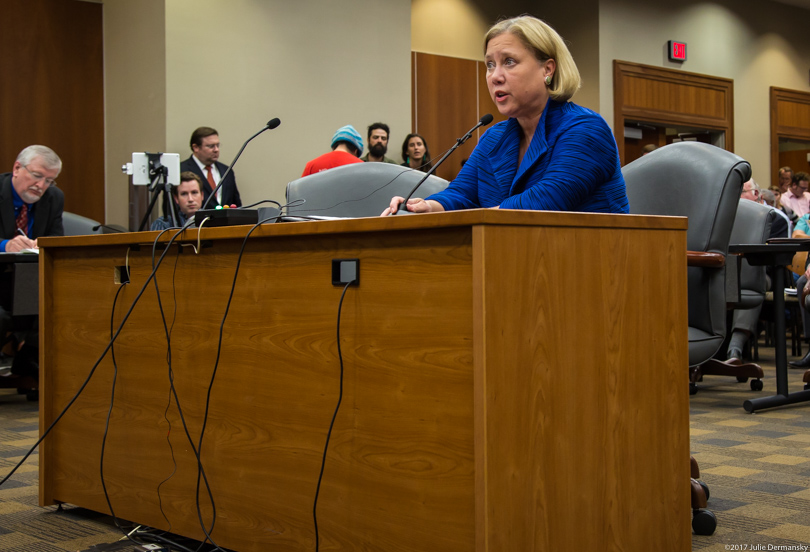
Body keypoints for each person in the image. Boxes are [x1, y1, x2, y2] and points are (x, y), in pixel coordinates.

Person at [383, 15, 628, 215]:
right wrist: (427, 207)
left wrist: (475, 217)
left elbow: (544, 202)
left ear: (548, 69)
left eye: (509, 62)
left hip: (591, 264)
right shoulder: (494, 137)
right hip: (518, 261)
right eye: (490, 64)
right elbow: (461, 193)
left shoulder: (585, 129)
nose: (495, 76)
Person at [0, 145, 65, 376]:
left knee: (60, 302)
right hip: (2, 279)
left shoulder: (54, 198)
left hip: (31, 279)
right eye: (37, 176)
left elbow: (57, 239)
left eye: (49, 180)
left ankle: (29, 363)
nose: (41, 186)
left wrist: (43, 245)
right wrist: (4, 245)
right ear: (17, 168)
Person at [727, 179, 788, 362]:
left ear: (755, 194)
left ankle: (735, 347)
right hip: (730, 273)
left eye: (741, 192)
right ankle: (708, 346)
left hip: (767, 274)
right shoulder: (727, 217)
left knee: (748, 271)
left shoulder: (775, 218)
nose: (736, 197)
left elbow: (775, 258)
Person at [180, 126, 241, 208]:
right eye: (211, 146)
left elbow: (237, 204)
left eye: (217, 145)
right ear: (196, 147)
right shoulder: (181, 170)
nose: (216, 150)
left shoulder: (226, 171)